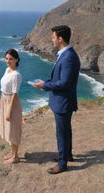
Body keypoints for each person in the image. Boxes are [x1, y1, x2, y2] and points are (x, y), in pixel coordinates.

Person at [34, 25, 80, 174]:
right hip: (63, 101)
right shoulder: (66, 54)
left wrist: (45, 85)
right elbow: (59, 78)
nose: (51, 39)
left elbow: (64, 83)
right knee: (65, 130)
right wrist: (47, 81)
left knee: (62, 133)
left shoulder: (69, 58)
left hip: (63, 102)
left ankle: (62, 164)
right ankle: (67, 155)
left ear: (60, 39)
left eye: (53, 37)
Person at [0, 49, 23, 164]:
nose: (8, 61)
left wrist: (9, 110)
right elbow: (3, 88)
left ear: (16, 60)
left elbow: (14, 94)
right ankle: (12, 153)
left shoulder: (16, 75)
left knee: (13, 130)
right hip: (5, 100)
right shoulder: (7, 70)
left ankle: (16, 156)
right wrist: (1, 101)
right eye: (7, 58)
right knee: (8, 129)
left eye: (11, 59)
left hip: (12, 103)